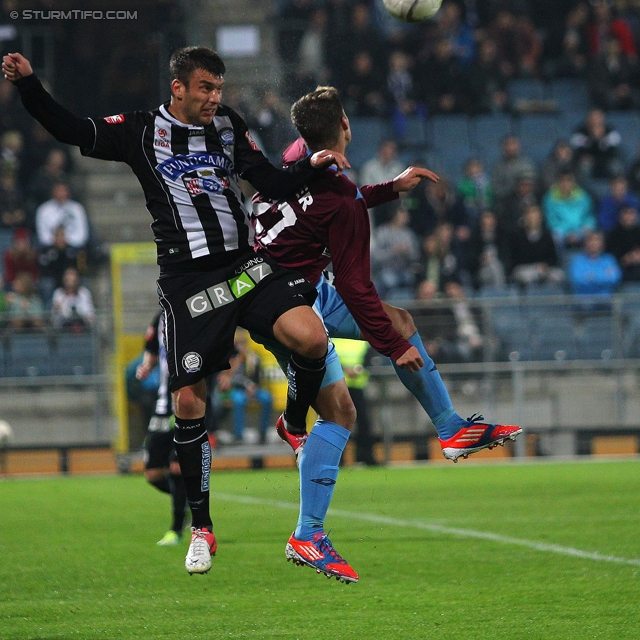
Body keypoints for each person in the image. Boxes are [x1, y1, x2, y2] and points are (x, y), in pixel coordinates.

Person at [3, 47, 349, 576]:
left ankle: (293, 423)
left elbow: (269, 180)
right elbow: (72, 130)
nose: (215, 97)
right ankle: (203, 528)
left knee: (313, 339)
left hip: (243, 266)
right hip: (190, 283)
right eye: (206, 88)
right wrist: (29, 85)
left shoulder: (228, 126)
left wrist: (309, 166)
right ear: (178, 88)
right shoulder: (142, 132)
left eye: (219, 88)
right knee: (189, 399)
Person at [251, 87, 521, 581]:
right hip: (288, 308)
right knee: (342, 410)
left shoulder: (297, 161)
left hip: (296, 285)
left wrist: (388, 189)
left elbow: (334, 201)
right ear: (347, 125)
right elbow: (356, 286)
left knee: (402, 321)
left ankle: (452, 429)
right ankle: (308, 534)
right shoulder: (342, 201)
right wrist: (394, 350)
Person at [135, 311, 189, 547]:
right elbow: (152, 351)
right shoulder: (158, 319)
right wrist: (146, 366)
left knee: (178, 468)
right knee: (154, 474)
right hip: (162, 404)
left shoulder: (193, 311)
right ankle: (187, 501)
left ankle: (176, 530)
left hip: (188, 403)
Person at [332, 338, 376, 466]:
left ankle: (365, 456)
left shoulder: (360, 342)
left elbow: (369, 361)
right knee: (340, 423)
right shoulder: (360, 341)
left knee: (362, 423)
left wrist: (354, 370)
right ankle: (340, 459)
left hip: (354, 387)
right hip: (338, 388)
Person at [35, 182, 89, 250]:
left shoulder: (77, 208)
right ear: (53, 192)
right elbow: (42, 234)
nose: (61, 194)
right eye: (58, 191)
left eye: (63, 191)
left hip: (73, 246)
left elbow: (82, 234)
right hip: (50, 247)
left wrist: (66, 240)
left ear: (68, 192)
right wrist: (55, 241)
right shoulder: (44, 209)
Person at [569, 230, 622, 296]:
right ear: (585, 243)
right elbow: (577, 279)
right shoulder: (577, 260)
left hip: (605, 300)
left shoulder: (609, 260)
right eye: (591, 240)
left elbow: (615, 278)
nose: (594, 243)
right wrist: (604, 275)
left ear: (602, 243)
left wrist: (590, 277)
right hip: (583, 301)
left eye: (597, 240)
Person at [51, 266, 95, 331]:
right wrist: (57, 309)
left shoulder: (84, 293)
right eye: (67, 277)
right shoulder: (58, 293)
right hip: (64, 328)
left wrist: (80, 314)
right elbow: (54, 318)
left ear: (77, 279)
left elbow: (90, 313)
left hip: (83, 327)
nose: (70, 279)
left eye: (72, 276)